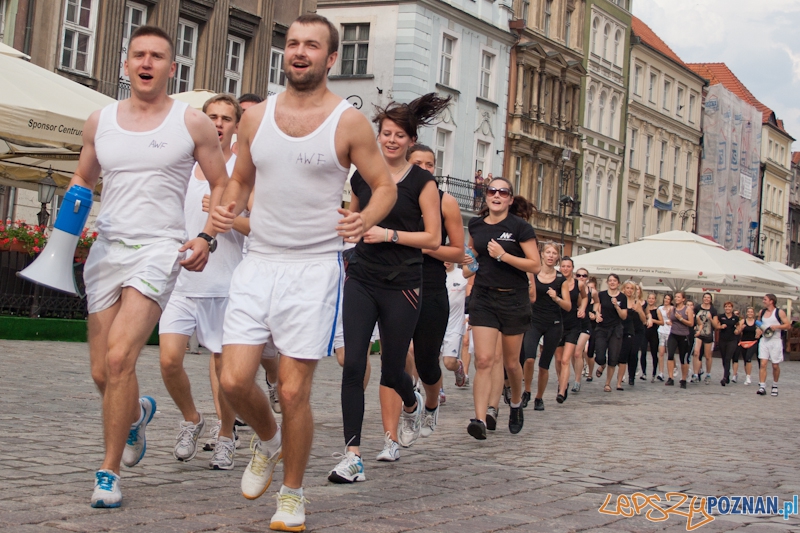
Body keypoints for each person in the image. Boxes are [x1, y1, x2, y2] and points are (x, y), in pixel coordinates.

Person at [212, 14, 397, 532]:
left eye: (312, 45)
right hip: (258, 263)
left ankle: (292, 494)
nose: (299, 52)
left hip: (315, 268)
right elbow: (240, 180)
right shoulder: (257, 118)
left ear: (331, 58)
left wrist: (365, 218)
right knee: (232, 379)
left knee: (294, 391)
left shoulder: (347, 122)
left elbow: (384, 186)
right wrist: (223, 214)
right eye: (292, 43)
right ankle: (269, 439)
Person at [72, 25, 230, 508]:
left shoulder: (191, 124)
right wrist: (60, 240)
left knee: (121, 359)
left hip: (160, 249)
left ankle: (108, 473)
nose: (146, 62)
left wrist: (206, 236)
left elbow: (223, 185)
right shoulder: (101, 121)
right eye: (138, 54)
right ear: (126, 65)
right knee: (103, 372)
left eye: (157, 56)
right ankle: (137, 413)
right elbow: (83, 178)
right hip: (106, 248)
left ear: (170, 67)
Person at [329, 92, 446, 479]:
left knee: (392, 371)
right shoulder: (363, 176)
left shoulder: (423, 182)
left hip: (404, 286)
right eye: (386, 133)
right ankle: (352, 455)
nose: (391, 140)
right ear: (378, 136)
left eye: (399, 135)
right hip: (362, 276)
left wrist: (390, 234)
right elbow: (355, 217)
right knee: (354, 365)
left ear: (411, 141)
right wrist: (345, 219)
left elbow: (433, 239)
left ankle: (411, 402)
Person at [159, 94, 245, 470]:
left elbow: (256, 224)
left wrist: (225, 219)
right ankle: (192, 419)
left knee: (226, 373)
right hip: (180, 279)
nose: (219, 123)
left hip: (224, 283)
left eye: (227, 118)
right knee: (168, 360)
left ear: (236, 126)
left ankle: (226, 435)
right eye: (213, 117)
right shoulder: (182, 165)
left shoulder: (242, 171)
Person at [466, 178, 540, 439]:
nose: (496, 195)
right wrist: (469, 263)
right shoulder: (475, 225)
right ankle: (478, 419)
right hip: (484, 298)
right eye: (492, 191)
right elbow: (473, 255)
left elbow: (535, 265)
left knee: (511, 363)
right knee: (484, 360)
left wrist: (504, 255)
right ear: (486, 197)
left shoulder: (520, 228)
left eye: (503, 192)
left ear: (509, 199)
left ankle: (516, 404)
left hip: (513, 300)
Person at [522, 243, 570, 409]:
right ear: (541, 254)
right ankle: (527, 390)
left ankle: (539, 398)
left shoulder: (560, 279)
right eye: (547, 252)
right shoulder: (532, 273)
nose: (550, 255)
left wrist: (556, 298)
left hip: (554, 324)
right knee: (528, 358)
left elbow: (568, 306)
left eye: (554, 253)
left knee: (544, 365)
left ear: (557, 257)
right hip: (534, 321)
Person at [554, 257, 585, 399]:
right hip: (557, 323)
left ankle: (561, 390)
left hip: (573, 325)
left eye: (568, 266)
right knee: (559, 359)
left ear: (572, 268)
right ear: (560, 267)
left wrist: (582, 308)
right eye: (563, 266)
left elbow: (584, 298)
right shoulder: (555, 282)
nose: (565, 268)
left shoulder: (578, 284)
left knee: (566, 359)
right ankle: (562, 382)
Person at [593, 274, 627, 392]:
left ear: (618, 283)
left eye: (615, 281)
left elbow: (623, 316)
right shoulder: (601, 294)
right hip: (602, 328)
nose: (612, 282)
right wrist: (597, 314)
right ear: (607, 282)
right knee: (600, 355)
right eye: (610, 281)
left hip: (615, 329)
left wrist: (617, 306)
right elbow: (596, 307)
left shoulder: (622, 297)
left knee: (613, 357)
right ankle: (602, 365)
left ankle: (607, 383)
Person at [756, 294, 789, 396]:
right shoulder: (762, 312)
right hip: (765, 340)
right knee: (763, 363)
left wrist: (777, 326)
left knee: (775, 365)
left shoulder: (779, 312)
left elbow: (788, 325)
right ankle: (762, 386)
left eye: (765, 299)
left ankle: (775, 385)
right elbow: (759, 323)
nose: (763, 301)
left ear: (771, 301)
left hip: (775, 340)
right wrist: (758, 330)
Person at [621, 281, 647, 388]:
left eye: (633, 289)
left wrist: (640, 311)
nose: (630, 290)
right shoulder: (621, 301)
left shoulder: (638, 303)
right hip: (624, 330)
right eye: (628, 288)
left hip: (637, 330)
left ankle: (631, 376)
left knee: (633, 352)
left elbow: (644, 320)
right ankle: (621, 374)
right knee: (623, 353)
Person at [570, 268, 592, 393]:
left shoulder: (592, 291)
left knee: (578, 352)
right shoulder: (571, 288)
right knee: (573, 353)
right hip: (573, 323)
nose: (581, 277)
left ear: (587, 277)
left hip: (585, 324)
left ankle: (577, 381)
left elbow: (597, 303)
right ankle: (576, 374)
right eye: (579, 275)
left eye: (584, 275)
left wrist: (595, 312)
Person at [666, 291, 694, 388]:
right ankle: (670, 378)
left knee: (683, 358)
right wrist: (670, 321)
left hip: (684, 336)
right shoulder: (673, 309)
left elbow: (691, 323)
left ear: (683, 299)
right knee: (670, 355)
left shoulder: (687, 309)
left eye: (679, 297)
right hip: (673, 334)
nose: (676, 298)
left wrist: (681, 319)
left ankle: (683, 379)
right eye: (675, 297)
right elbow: (671, 319)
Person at [691, 292, 719, 384]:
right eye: (705, 297)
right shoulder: (697, 308)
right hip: (699, 333)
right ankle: (695, 374)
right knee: (696, 353)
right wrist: (695, 326)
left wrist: (711, 319)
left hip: (708, 334)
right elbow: (693, 318)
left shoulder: (713, 310)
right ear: (702, 298)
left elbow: (716, 325)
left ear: (711, 300)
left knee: (707, 356)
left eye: (708, 298)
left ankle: (708, 374)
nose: (706, 299)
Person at [733, 307, 759, 385]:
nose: (750, 313)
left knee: (748, 358)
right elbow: (736, 332)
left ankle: (748, 377)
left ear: (753, 313)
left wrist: (759, 332)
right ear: (746, 313)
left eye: (751, 312)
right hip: (744, 342)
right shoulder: (742, 321)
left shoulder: (757, 322)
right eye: (748, 312)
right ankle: (747, 375)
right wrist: (741, 329)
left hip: (753, 342)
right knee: (745, 360)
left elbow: (762, 330)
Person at [642, 293, 664, 382]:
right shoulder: (644, 309)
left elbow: (662, 322)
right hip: (644, 332)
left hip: (654, 333)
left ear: (655, 300)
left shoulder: (657, 310)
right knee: (643, 352)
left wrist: (652, 320)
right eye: (649, 298)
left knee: (654, 353)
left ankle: (654, 373)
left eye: (652, 299)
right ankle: (644, 373)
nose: (651, 300)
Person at [717, 301, 740, 386]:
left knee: (728, 358)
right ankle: (727, 373)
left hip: (732, 340)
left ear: (732, 308)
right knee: (724, 358)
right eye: (726, 306)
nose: (728, 308)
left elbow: (738, 326)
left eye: (729, 307)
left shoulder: (735, 318)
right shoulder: (721, 317)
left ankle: (724, 377)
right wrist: (720, 327)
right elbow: (716, 326)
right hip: (723, 339)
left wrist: (738, 330)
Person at [656, 294, 673, 381]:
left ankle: (673, 368)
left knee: (670, 353)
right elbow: (660, 319)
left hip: (670, 331)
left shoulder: (673, 308)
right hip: (662, 330)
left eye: (668, 299)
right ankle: (661, 372)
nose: (666, 300)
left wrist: (669, 315)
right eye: (665, 298)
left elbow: (673, 319)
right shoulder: (660, 308)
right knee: (661, 353)